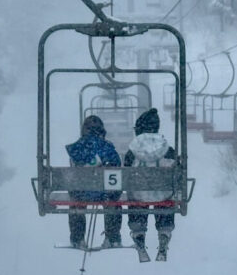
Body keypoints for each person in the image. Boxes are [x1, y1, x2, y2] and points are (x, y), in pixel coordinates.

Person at [123, 108, 178, 261]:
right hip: (163, 195)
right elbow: (176, 171)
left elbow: (126, 173)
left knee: (136, 198)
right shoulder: (167, 149)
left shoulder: (133, 151)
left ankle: (139, 234)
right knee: (165, 200)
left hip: (139, 195)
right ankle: (164, 234)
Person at [65, 115, 123, 249]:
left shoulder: (76, 149)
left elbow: (74, 172)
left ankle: (77, 239)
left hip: (82, 193)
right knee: (114, 203)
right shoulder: (107, 148)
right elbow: (117, 166)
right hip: (106, 194)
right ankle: (112, 238)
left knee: (76, 203)